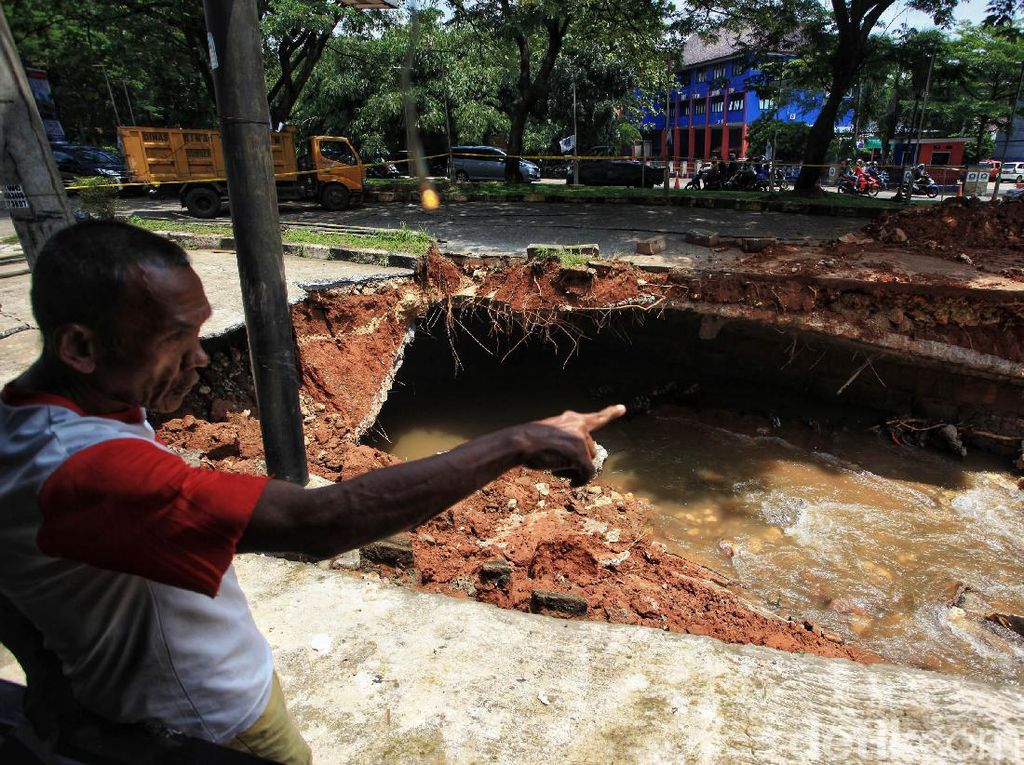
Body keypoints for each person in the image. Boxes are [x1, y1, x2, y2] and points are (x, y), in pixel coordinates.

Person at [0, 220, 625, 764]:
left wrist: (44, 667)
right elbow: (319, 521)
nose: (201, 358)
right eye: (174, 338)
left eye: (199, 333)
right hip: (205, 720)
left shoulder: (38, 416)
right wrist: (516, 442)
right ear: (81, 347)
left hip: (133, 694)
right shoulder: (88, 470)